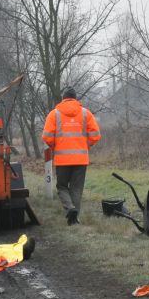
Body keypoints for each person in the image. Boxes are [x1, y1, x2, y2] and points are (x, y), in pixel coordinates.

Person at [42, 87, 101, 225]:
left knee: (62, 186)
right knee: (76, 189)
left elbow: (46, 136)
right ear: (75, 99)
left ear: (63, 99)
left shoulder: (54, 114)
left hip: (62, 160)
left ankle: (70, 208)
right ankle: (74, 220)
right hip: (81, 159)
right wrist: (86, 145)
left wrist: (55, 145)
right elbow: (96, 135)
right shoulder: (86, 114)